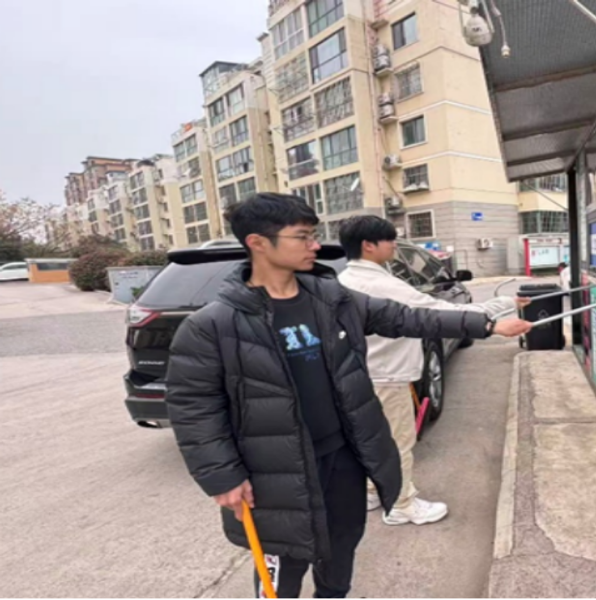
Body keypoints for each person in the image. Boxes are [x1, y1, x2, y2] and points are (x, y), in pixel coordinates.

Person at [165, 193, 532, 599]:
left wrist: (486, 325)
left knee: (342, 543)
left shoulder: (331, 299)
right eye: (302, 237)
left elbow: (406, 317)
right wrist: (222, 476)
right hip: (272, 472)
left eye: (313, 235)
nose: (315, 245)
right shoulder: (213, 325)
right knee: (283, 561)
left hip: (343, 456)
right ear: (258, 243)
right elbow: (194, 407)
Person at [337, 215, 530, 526]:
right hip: (387, 376)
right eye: (389, 240)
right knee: (396, 442)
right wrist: (502, 309)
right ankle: (401, 504)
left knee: (369, 440)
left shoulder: (344, 281)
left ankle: (373, 491)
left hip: (357, 376)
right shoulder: (381, 285)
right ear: (368, 245)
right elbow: (442, 313)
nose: (394, 245)